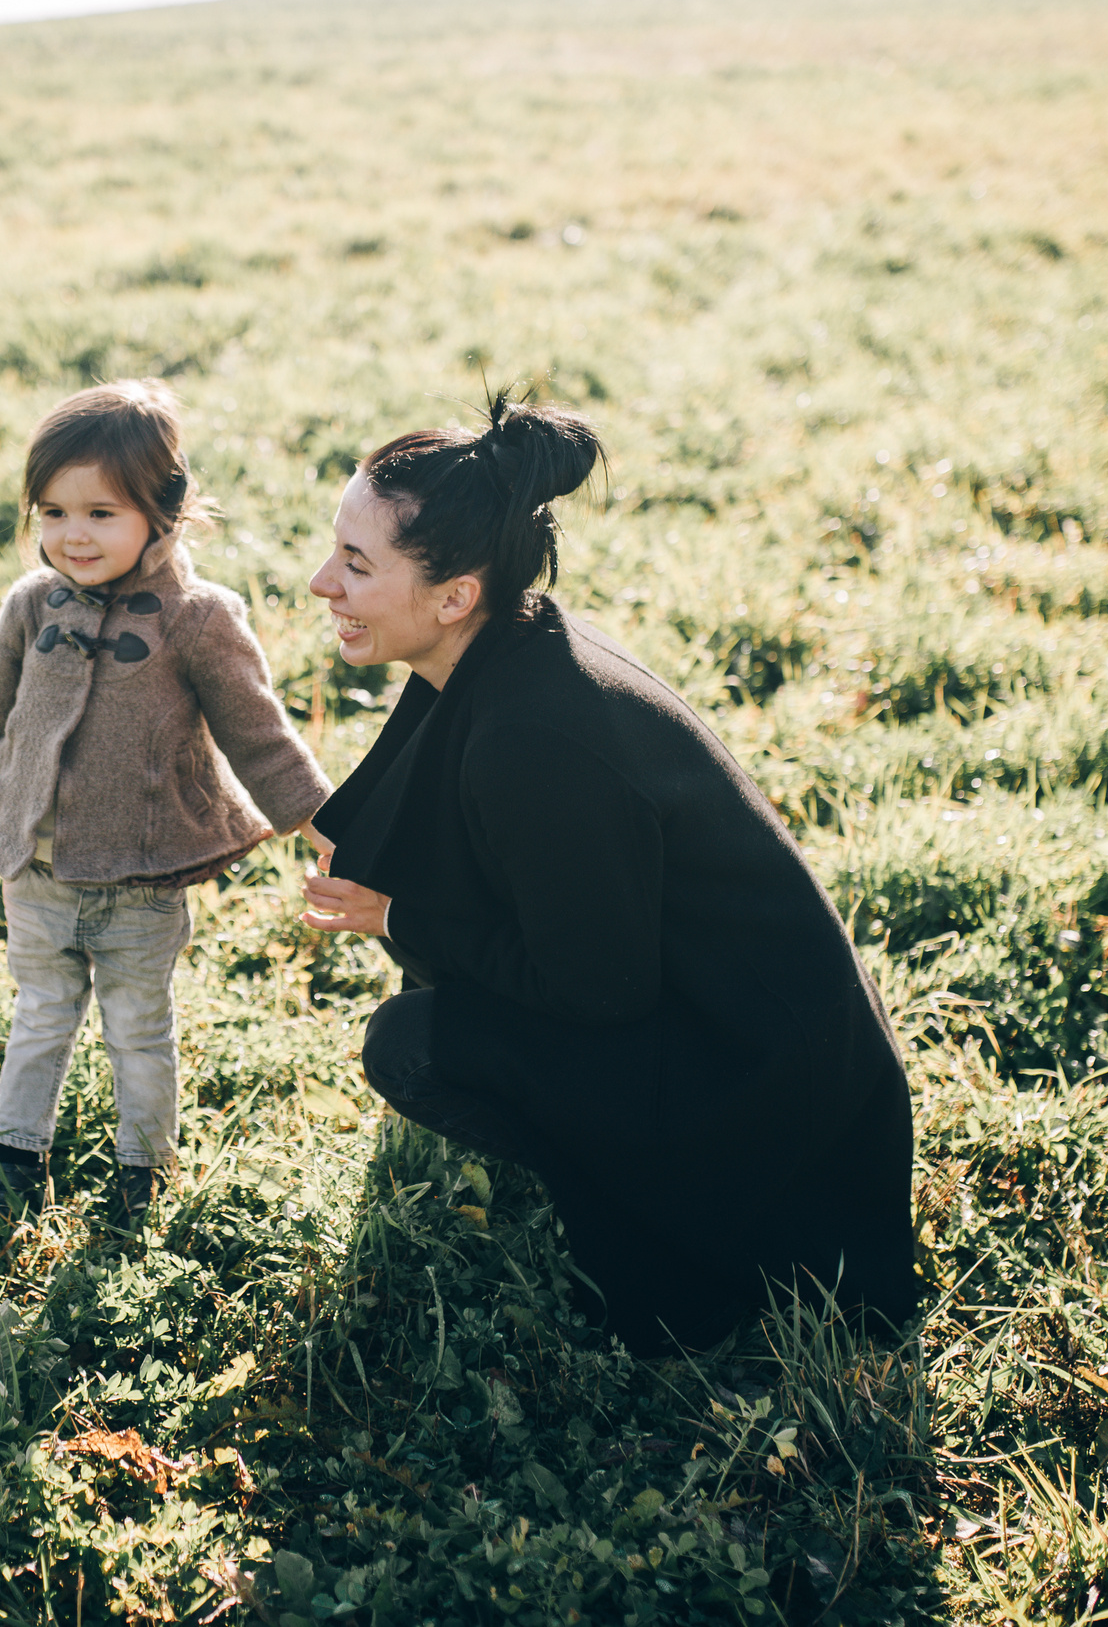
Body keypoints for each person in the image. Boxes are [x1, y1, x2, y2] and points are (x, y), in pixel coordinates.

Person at [298, 394, 917, 1353]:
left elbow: (598, 989)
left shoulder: (534, 737)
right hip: (745, 1028)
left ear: (455, 595)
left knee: (409, 1042)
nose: (319, 583)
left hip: (766, 1093)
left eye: (355, 563)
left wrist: (401, 917)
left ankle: (670, 1216)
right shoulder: (511, 647)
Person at [0, 380, 332, 1224]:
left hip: (143, 882)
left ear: (166, 510)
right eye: (52, 512)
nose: (71, 535)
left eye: (100, 513)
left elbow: (257, 732)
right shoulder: (30, 604)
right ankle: (15, 1163)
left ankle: (141, 1174)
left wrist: (320, 820)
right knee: (40, 1015)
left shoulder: (198, 617)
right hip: (34, 870)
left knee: (138, 1030)